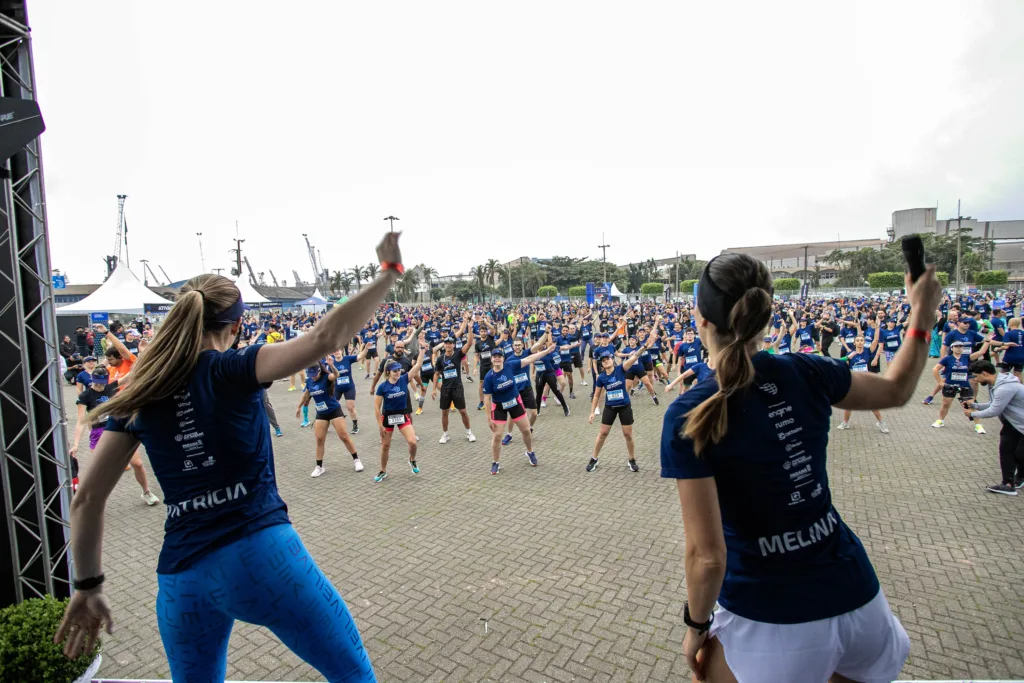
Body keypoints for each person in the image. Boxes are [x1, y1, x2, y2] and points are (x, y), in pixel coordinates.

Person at [55, 232, 403, 682]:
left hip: (182, 579)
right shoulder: (233, 368)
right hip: (262, 557)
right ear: (236, 327)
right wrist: (387, 274)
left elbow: (86, 500)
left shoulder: (139, 391)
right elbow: (326, 336)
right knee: (355, 677)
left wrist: (87, 586)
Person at [659, 253, 941, 683]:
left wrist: (695, 628)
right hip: (860, 602)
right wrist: (921, 315)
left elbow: (708, 558)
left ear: (700, 318)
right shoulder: (806, 370)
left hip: (770, 617)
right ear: (766, 312)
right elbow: (898, 389)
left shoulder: (690, 412)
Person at [93, 323, 160, 506]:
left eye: (112, 359)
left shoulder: (129, 362)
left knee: (138, 463)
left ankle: (146, 492)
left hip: (133, 412)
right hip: (115, 418)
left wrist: (106, 333)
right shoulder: (109, 371)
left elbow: (121, 349)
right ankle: (94, 497)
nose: (110, 362)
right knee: (101, 465)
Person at [483, 343, 553, 474]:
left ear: (503, 358)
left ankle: (530, 452)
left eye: (499, 356)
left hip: (515, 402)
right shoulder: (489, 377)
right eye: (494, 357)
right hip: (499, 407)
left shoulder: (510, 365)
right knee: (497, 436)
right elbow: (487, 398)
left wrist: (547, 351)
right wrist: (488, 418)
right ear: (491, 359)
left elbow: (529, 359)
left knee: (526, 430)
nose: (497, 359)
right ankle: (495, 462)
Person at [964, 360, 1024, 495]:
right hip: (1014, 423)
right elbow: (994, 403)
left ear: (985, 373)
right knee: (1011, 451)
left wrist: (972, 414)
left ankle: (1010, 484)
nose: (976, 380)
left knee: (1012, 452)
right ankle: (1014, 480)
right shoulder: (998, 383)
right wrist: (975, 405)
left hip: (1019, 423)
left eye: (977, 376)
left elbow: (994, 410)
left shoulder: (1004, 387)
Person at [296, 360, 362, 477]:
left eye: (315, 374)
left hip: (334, 410)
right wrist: (299, 407)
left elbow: (336, 375)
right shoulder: (310, 381)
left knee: (344, 436)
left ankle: (356, 459)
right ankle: (319, 467)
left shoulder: (327, 377)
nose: (314, 377)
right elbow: (306, 394)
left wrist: (331, 365)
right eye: (311, 375)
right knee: (319, 440)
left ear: (319, 370)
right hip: (321, 413)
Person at [372, 340, 425, 482]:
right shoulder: (382, 387)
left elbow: (418, 366)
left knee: (413, 442)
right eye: (395, 370)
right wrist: (380, 424)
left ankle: (412, 460)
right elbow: (376, 407)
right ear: (389, 372)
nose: (397, 372)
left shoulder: (404, 379)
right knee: (385, 446)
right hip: (388, 417)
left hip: (402, 415)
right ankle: (383, 470)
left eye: (399, 370)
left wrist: (422, 350)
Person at [432, 313, 477, 444]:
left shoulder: (458, 354)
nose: (448, 345)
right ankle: (445, 434)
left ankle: (469, 432)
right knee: (444, 412)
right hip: (445, 388)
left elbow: (469, 343)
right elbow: (436, 374)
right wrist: (434, 389)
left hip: (457, 387)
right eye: (446, 344)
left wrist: (469, 328)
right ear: (444, 345)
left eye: (450, 344)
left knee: (462, 411)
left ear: (453, 345)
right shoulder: (440, 359)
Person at [931, 340, 990, 432]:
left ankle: (978, 425)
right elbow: (935, 369)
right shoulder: (947, 359)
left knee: (970, 406)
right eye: (956, 346)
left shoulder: (967, 357)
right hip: (950, 385)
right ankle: (940, 420)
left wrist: (987, 342)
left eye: (961, 346)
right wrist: (940, 382)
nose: (959, 348)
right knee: (946, 404)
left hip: (964, 385)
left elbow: (981, 352)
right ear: (952, 348)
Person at [836, 334, 888, 433]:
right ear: (854, 343)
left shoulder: (868, 352)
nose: (860, 342)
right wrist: (847, 358)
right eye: (858, 340)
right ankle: (845, 423)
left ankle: (881, 423)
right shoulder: (851, 354)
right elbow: (839, 362)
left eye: (861, 340)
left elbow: (876, 340)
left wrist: (877, 327)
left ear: (864, 342)